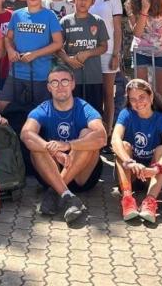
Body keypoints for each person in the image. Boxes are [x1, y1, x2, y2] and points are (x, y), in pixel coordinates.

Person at [20, 66, 106, 225]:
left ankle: (55, 192)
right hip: (52, 171)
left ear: (73, 84)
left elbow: (102, 137)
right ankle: (69, 198)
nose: (60, 86)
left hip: (82, 176)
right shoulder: (43, 109)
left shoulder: (84, 108)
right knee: (36, 147)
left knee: (88, 134)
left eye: (65, 81)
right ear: (48, 87)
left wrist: (67, 145)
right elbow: (26, 134)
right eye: (54, 82)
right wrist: (51, 149)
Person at [112, 79, 162, 223]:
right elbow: (114, 140)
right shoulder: (126, 114)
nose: (138, 102)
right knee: (124, 145)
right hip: (129, 173)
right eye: (133, 99)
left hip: (152, 174)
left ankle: (150, 202)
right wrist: (129, 162)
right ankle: (127, 199)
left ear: (151, 96)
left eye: (142, 97)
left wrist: (155, 169)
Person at [0, 0, 63, 112]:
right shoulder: (17, 15)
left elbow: (58, 43)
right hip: (17, 71)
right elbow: (8, 38)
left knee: (42, 110)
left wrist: (35, 54)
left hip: (40, 73)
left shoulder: (50, 15)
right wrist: (10, 50)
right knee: (2, 105)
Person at [57, 0, 109, 116]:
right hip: (71, 77)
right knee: (71, 112)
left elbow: (104, 47)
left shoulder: (98, 21)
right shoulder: (65, 21)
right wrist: (68, 60)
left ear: (93, 1)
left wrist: (88, 53)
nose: (83, 1)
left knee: (94, 113)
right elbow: (57, 47)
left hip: (94, 76)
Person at [85, 0, 124, 136]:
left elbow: (117, 28)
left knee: (108, 94)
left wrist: (116, 53)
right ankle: (91, 132)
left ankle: (108, 133)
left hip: (108, 51)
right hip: (86, 51)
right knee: (91, 92)